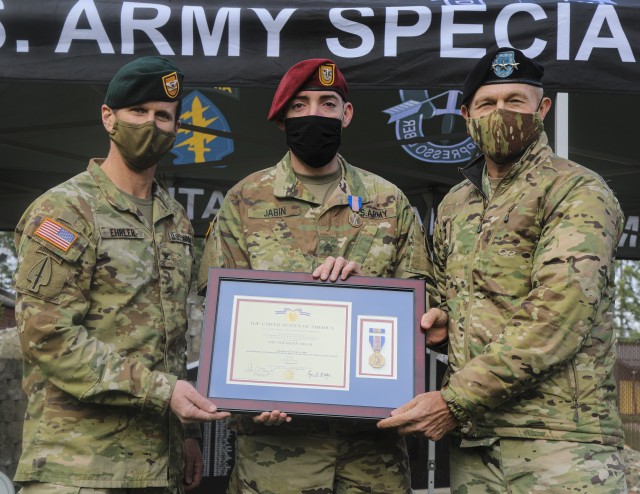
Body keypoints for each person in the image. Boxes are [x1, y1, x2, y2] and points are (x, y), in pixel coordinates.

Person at [378, 47, 627, 492]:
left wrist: (454, 401)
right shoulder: (456, 204)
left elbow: (560, 312)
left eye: (516, 100)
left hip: (558, 440)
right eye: (488, 103)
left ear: (542, 108)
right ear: (466, 114)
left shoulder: (577, 189)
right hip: (474, 442)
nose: (501, 113)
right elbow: (449, 292)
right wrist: (436, 315)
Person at [197, 58, 433, 493]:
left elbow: (424, 306)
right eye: (301, 105)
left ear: (346, 114)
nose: (315, 115)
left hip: (372, 456)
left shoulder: (388, 201)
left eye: (328, 103)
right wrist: (248, 397)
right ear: (283, 116)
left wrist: (371, 290)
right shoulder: (245, 200)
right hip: (276, 458)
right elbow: (219, 312)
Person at [13, 56, 229, 494]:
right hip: (78, 467)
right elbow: (45, 335)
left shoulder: (177, 222)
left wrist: (186, 434)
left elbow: (171, 340)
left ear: (175, 129)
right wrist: (162, 391)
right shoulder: (66, 210)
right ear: (109, 117)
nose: (151, 124)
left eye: (163, 116)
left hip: (157, 468)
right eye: (138, 112)